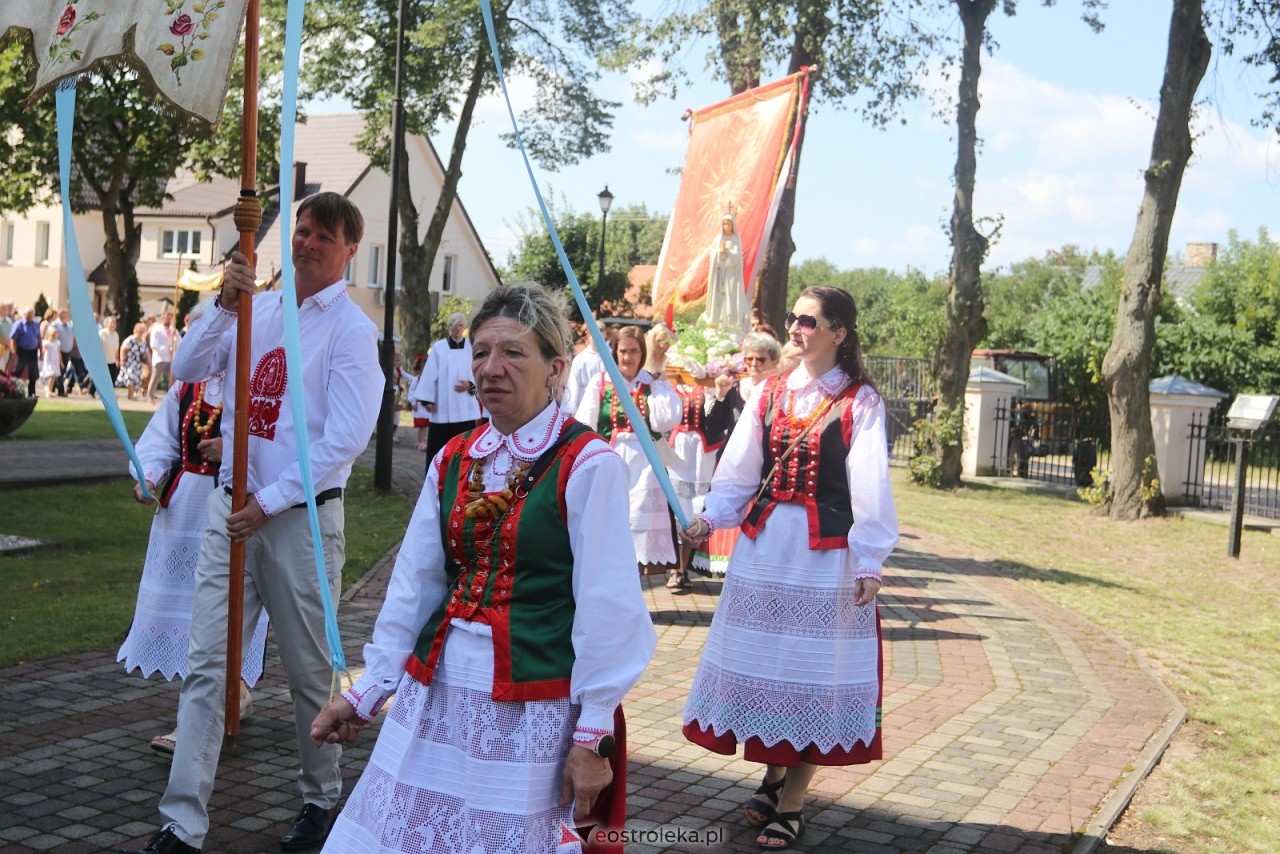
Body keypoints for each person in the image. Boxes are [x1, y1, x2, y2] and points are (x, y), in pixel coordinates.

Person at [310, 282, 657, 854]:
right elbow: (416, 584)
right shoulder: (454, 457)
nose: (491, 368)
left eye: (513, 352)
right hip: (440, 691)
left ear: (555, 368)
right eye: (481, 352)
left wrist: (592, 733)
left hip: (531, 705)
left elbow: (608, 605)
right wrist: (368, 690)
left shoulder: (588, 462)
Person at [124, 192, 383, 854]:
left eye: (324, 236)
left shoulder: (351, 333)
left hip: (296, 519)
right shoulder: (258, 310)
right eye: (301, 231)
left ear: (349, 248)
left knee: (309, 672)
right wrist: (222, 303)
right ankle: (182, 823)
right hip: (228, 509)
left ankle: (320, 800)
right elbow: (185, 370)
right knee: (208, 663)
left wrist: (268, 501)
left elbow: (344, 441)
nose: (307, 243)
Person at [679, 287, 899, 851]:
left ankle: (794, 802)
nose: (795, 328)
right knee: (766, 669)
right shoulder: (769, 392)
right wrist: (709, 518)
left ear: (838, 333)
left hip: (824, 556)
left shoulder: (860, 402)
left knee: (809, 674)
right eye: (793, 319)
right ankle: (773, 776)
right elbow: (739, 473)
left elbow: (870, 485)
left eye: (808, 320)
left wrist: (870, 559)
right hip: (764, 551)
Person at [121, 365, 268, 755]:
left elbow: (278, 443)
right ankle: (225, 699)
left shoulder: (257, 383)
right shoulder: (187, 388)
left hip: (234, 505)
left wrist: (233, 446)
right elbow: (159, 440)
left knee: (219, 610)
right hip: (184, 512)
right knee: (189, 609)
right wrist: (149, 476)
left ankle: (198, 718)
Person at [573, 325, 682, 573]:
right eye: (623, 351)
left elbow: (665, 422)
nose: (628, 357)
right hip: (611, 459)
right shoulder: (601, 382)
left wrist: (661, 387)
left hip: (646, 465)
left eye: (633, 351)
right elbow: (584, 424)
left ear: (642, 353)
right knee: (611, 524)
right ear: (615, 353)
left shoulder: (651, 384)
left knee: (638, 528)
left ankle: (639, 588)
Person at [411, 311, 483, 464]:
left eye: (460, 325)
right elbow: (429, 374)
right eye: (453, 326)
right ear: (449, 328)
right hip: (442, 409)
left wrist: (470, 386)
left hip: (465, 409)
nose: (457, 329)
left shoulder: (472, 347)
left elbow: (479, 371)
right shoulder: (439, 348)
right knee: (439, 452)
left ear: (464, 327)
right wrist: (426, 400)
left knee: (463, 451)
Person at [700, 213, 748, 336]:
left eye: (728, 223)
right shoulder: (718, 239)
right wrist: (719, 253)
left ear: (733, 226)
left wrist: (728, 254)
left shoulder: (735, 239)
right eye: (724, 223)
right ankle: (715, 322)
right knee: (717, 299)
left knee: (730, 298)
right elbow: (712, 255)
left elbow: (736, 258)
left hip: (731, 276)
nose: (726, 226)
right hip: (719, 274)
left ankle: (729, 323)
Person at [148, 309, 178, 403]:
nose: (168, 320)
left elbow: (179, 342)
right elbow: (154, 344)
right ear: (162, 318)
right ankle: (150, 396)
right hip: (160, 357)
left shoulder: (173, 330)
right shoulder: (156, 329)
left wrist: (175, 338)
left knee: (173, 378)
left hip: (170, 358)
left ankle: (173, 397)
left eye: (170, 318)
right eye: (167, 318)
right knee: (155, 377)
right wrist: (166, 348)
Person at [10, 306, 41, 396]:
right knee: (18, 370)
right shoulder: (19, 324)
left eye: (31, 315)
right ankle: (12, 389)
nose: (30, 317)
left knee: (33, 372)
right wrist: (13, 351)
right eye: (28, 315)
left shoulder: (36, 324)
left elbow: (39, 338)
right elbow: (13, 339)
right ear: (24, 315)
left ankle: (32, 392)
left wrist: (41, 351)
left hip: (33, 351)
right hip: (22, 350)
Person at [117, 321, 149, 401]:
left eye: (143, 332)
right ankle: (132, 394)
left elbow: (146, 353)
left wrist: (149, 363)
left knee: (136, 380)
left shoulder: (143, 342)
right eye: (140, 331)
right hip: (128, 362)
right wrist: (122, 360)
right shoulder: (130, 340)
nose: (141, 333)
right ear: (135, 331)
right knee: (129, 378)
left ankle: (130, 394)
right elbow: (123, 349)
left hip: (138, 364)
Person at [405, 353, 430, 451]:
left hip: (427, 406)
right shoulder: (417, 379)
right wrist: (413, 402)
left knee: (425, 425)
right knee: (422, 426)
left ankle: (421, 441)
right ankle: (421, 442)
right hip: (420, 406)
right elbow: (411, 391)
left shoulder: (430, 380)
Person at [39, 325, 60, 398]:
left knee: (54, 376)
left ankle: (49, 389)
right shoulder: (46, 343)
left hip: (55, 361)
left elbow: (58, 352)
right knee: (51, 374)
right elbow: (43, 351)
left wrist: (61, 362)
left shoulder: (57, 343)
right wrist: (42, 355)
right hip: (49, 361)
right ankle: (47, 389)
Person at [99, 316, 121, 388]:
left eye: (114, 323)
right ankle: (91, 391)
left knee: (112, 378)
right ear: (107, 323)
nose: (113, 324)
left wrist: (117, 359)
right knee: (100, 377)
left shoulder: (116, 334)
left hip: (112, 360)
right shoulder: (102, 333)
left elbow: (116, 348)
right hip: (103, 359)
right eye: (111, 322)